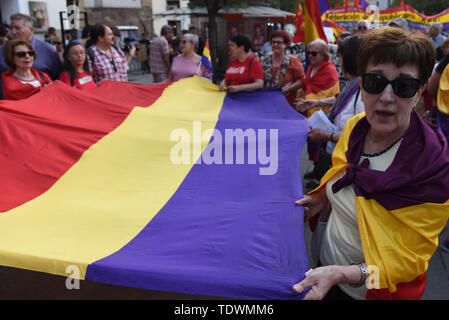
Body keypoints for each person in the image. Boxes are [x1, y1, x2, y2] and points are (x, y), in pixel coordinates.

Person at [293, 27, 449, 300]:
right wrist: (322, 197)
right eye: (375, 82)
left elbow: (410, 264)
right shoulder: (355, 128)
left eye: (403, 87)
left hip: (369, 291)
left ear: (419, 91)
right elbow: (341, 175)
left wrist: (345, 274)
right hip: (324, 267)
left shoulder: (434, 165)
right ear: (361, 85)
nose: (387, 97)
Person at [301, 35, 365, 188]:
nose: (339, 62)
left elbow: (362, 135)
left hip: (347, 163)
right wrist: (316, 103)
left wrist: (326, 136)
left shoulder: (364, 91)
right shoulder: (354, 83)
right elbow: (341, 100)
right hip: (336, 156)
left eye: (341, 57)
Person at [0, 13, 62, 99]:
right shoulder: (2, 51)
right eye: (11, 28)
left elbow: (58, 78)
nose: (13, 32)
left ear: (31, 29)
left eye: (17, 28)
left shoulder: (48, 50)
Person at [295, 39, 340, 118]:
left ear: (323, 54)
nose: (310, 56)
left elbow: (326, 95)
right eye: (308, 53)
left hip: (322, 114)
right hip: (308, 110)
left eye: (314, 54)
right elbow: (308, 86)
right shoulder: (311, 67)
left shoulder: (330, 71)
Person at [261, 30, 305, 107]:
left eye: (279, 42)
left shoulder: (293, 61)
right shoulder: (265, 59)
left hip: (287, 104)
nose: (275, 44)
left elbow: (302, 80)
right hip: (266, 103)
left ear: (286, 44)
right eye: (273, 42)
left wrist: (290, 88)